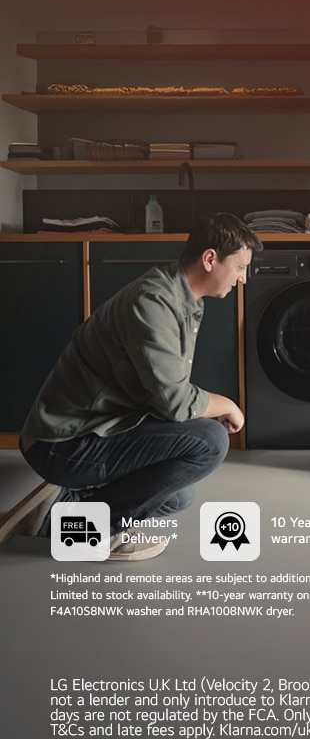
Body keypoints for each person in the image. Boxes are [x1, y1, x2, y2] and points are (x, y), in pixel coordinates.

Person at [0, 212, 263, 561]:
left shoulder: (183, 299)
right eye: (241, 266)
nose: (243, 279)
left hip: (96, 430)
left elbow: (162, 393)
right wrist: (227, 404)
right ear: (210, 259)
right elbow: (174, 400)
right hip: (62, 444)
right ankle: (95, 531)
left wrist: (196, 414)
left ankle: (61, 512)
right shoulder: (154, 301)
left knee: (178, 495)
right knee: (211, 443)